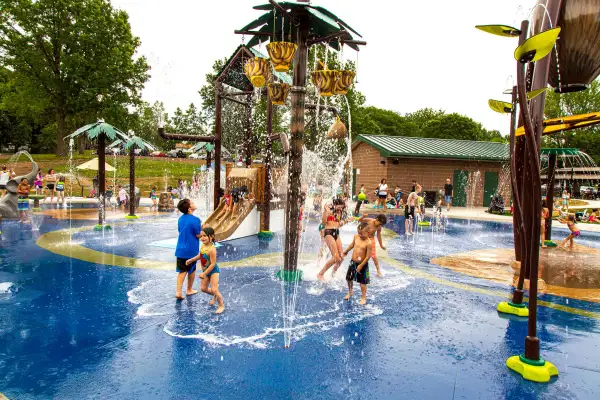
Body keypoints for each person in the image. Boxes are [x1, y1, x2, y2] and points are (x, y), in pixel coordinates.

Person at [186, 226, 225, 314]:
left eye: (205, 236)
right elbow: (201, 256)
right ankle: (215, 294)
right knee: (203, 289)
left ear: (211, 237)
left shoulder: (212, 249)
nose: (202, 238)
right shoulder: (203, 246)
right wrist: (192, 260)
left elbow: (213, 264)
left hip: (213, 271)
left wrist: (204, 274)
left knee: (214, 289)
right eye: (201, 236)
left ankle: (221, 305)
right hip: (205, 272)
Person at [174, 199, 202, 300]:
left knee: (182, 271)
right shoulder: (196, 220)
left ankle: (178, 292)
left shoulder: (180, 219)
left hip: (180, 250)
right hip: (191, 250)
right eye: (192, 203)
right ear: (190, 208)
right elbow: (198, 235)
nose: (194, 203)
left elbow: (181, 230)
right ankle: (189, 289)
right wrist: (204, 230)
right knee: (192, 269)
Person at [317, 197, 347, 280]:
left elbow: (338, 224)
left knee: (341, 257)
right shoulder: (329, 211)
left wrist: (345, 221)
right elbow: (323, 223)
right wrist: (325, 212)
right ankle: (320, 274)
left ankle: (333, 273)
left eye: (342, 207)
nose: (340, 209)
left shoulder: (339, 213)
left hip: (336, 233)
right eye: (339, 207)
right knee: (335, 258)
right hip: (329, 233)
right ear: (335, 205)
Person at [343, 222, 372, 305]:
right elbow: (352, 245)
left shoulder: (368, 243)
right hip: (353, 262)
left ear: (368, 233)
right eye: (358, 233)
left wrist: (361, 265)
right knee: (349, 278)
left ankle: (363, 297)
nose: (360, 235)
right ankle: (350, 292)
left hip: (362, 264)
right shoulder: (356, 237)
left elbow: (368, 257)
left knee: (362, 283)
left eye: (362, 233)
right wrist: (346, 251)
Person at [357, 213, 387, 277]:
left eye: (381, 225)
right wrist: (363, 216)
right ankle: (359, 267)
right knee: (361, 254)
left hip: (371, 240)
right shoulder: (369, 220)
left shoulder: (379, 227)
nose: (380, 225)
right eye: (379, 223)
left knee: (373, 256)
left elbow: (379, 236)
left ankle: (378, 270)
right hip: (364, 239)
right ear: (376, 219)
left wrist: (381, 245)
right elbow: (359, 220)